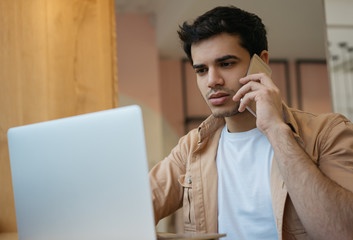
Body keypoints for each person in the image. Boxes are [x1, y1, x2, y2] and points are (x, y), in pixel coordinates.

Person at [149, 5, 353, 240]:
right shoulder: (191, 148)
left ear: (261, 62)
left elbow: (343, 232)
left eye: (226, 64)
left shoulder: (328, 133)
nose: (212, 81)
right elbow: (128, 213)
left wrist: (276, 130)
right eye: (202, 70)